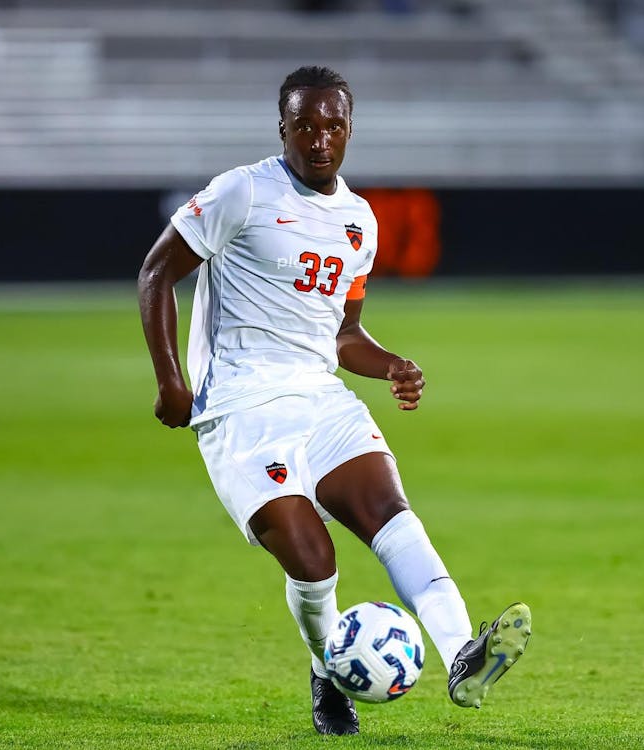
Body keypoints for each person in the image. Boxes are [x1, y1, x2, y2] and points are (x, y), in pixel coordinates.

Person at [137, 65, 531, 736]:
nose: (320, 139)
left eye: (334, 125)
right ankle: (326, 671)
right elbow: (155, 273)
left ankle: (463, 652)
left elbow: (342, 333)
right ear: (283, 127)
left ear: (350, 130)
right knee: (314, 562)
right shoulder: (243, 192)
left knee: (391, 514)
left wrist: (391, 366)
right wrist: (170, 379)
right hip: (240, 411)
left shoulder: (358, 219)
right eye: (307, 125)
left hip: (322, 399)